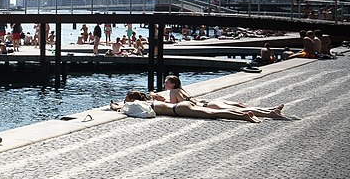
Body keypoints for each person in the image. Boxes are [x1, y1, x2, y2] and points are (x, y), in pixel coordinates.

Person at [152, 75, 285, 118]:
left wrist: (158, 99)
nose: (164, 84)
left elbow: (172, 105)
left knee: (239, 110)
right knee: (240, 106)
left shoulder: (173, 92)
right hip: (207, 101)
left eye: (166, 83)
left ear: (172, 84)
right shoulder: (181, 89)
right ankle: (269, 110)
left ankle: (270, 114)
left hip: (207, 105)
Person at [111, 91, 262, 123]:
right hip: (181, 105)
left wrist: (116, 107)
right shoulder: (147, 100)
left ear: (131, 99)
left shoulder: (137, 104)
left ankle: (242, 116)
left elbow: (125, 108)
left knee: (212, 114)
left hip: (179, 110)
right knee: (213, 112)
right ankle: (242, 114)